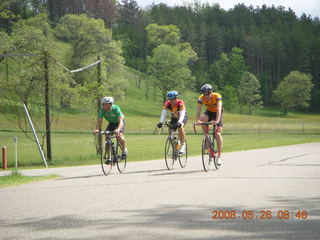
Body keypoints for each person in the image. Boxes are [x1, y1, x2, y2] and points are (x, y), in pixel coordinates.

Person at [196, 84, 223, 165]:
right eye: (205, 94)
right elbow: (198, 111)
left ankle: (219, 156)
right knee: (202, 119)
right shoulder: (201, 98)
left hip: (218, 113)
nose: (206, 96)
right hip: (209, 112)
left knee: (217, 133)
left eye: (208, 94)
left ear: (211, 92)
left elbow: (219, 109)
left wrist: (217, 121)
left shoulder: (217, 96)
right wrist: (198, 121)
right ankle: (207, 137)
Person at [94, 96, 127, 161]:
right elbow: (99, 121)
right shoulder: (102, 110)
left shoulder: (116, 108)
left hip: (119, 122)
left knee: (119, 135)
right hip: (111, 123)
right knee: (107, 135)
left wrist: (118, 130)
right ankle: (110, 155)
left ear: (110, 104)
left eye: (105, 104)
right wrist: (97, 129)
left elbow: (121, 121)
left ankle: (124, 150)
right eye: (103, 104)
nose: (103, 106)